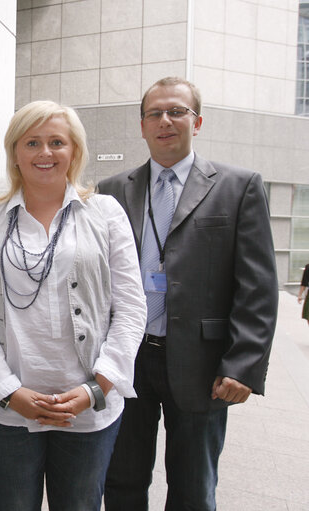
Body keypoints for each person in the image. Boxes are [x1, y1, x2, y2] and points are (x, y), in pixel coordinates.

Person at [0, 100, 147, 511]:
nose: (45, 153)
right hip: (9, 411)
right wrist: (8, 392)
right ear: (15, 153)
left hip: (88, 407)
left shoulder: (106, 212)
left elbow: (130, 308)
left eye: (57, 142)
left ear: (74, 150)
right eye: (32, 142)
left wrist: (98, 387)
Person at [98, 76, 279, 510]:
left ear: (197, 122)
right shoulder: (111, 191)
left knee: (193, 489)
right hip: (128, 358)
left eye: (177, 111)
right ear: (141, 125)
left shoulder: (239, 187)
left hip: (205, 367)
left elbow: (257, 287)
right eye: (154, 113)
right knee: (120, 481)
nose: (165, 121)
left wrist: (243, 365)